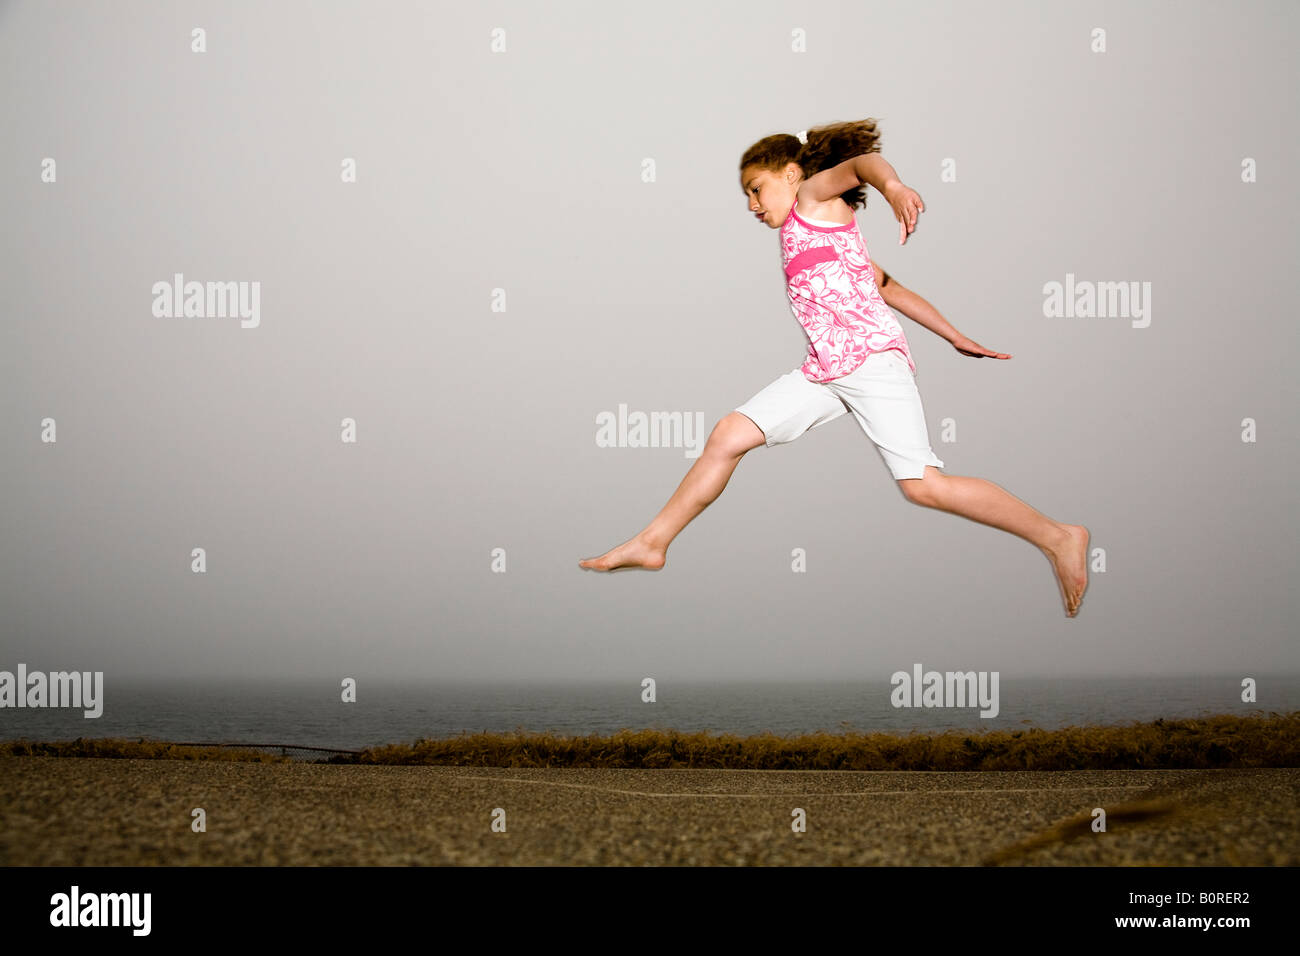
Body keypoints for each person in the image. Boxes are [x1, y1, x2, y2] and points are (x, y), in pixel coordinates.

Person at [579, 120, 1089, 618]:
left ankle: (1059, 536)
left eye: (757, 189)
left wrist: (892, 186)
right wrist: (954, 336)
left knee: (924, 485)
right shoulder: (814, 235)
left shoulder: (814, 201)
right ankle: (653, 542)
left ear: (792, 174)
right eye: (746, 197)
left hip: (870, 363)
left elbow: (863, 165)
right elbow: (887, 287)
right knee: (728, 435)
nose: (752, 205)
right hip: (825, 370)